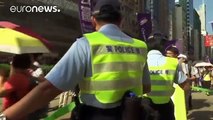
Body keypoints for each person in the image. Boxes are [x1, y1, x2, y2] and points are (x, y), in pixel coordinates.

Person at [1, 0, 151, 120]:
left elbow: (48, 89)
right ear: (121, 21)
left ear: (93, 20)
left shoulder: (86, 44)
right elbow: (146, 88)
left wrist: (6, 116)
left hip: (95, 115)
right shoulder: (140, 47)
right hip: (132, 113)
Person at [145, 33, 188, 120]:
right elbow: (186, 86)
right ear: (163, 47)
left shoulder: (141, 61)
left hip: (145, 106)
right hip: (166, 107)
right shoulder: (173, 62)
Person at [0, 54, 33, 120]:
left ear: (14, 63)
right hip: (20, 113)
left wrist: (1, 76)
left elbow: (1, 93)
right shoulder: (27, 74)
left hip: (11, 114)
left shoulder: (17, 78)